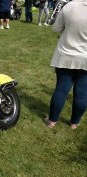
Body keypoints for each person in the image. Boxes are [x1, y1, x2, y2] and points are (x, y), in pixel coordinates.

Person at [45, 0, 87, 129]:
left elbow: (56, 28)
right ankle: (74, 123)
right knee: (82, 92)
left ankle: (52, 121)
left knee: (61, 89)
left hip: (66, 55)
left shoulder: (69, 6)